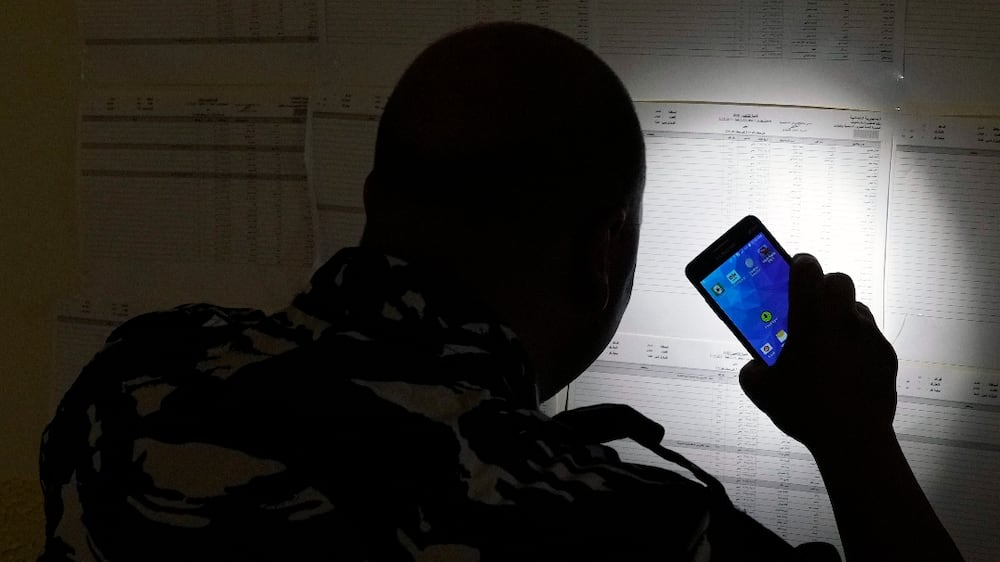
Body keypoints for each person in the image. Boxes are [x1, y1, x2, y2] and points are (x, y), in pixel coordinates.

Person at [39, 23, 962, 561]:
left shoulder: (135, 377)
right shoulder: (625, 530)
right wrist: (856, 441)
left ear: (372, 198)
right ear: (603, 253)